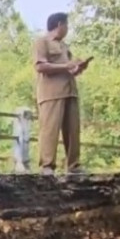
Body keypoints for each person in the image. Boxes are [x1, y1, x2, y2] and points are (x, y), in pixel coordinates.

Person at [33, 12, 90, 175]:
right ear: (59, 25)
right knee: (49, 129)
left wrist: (78, 67)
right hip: (51, 93)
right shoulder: (41, 42)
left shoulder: (65, 46)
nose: (67, 29)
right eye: (66, 25)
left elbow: (71, 69)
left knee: (73, 130)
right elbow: (40, 66)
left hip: (70, 91)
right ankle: (47, 165)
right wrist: (67, 65)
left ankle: (74, 165)